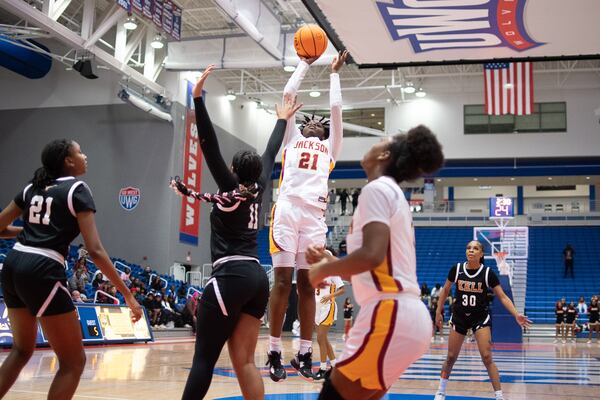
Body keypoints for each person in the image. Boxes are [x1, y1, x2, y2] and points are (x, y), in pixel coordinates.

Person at [170, 64, 300, 400]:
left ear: (231, 171)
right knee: (243, 362)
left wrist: (197, 99)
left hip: (230, 276)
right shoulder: (259, 186)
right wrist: (282, 120)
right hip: (258, 278)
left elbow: (208, 147)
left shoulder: (230, 187)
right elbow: (272, 151)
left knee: (203, 362)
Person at [306, 125, 445, 400]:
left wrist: (323, 269)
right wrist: (333, 261)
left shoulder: (376, 190)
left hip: (391, 314)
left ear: (384, 154)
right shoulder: (392, 194)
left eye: (381, 140)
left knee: (332, 396)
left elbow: (372, 255)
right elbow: (378, 267)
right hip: (406, 316)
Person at [0, 139, 142, 399]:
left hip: (12, 265)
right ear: (67, 160)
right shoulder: (77, 189)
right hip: (41, 268)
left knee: (21, 351)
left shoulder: (32, 187)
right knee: (73, 363)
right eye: (80, 152)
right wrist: (128, 295)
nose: (85, 156)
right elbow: (95, 250)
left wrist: (33, 232)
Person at [267, 49, 348, 382]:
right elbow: (288, 95)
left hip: (314, 218)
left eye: (320, 122)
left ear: (324, 130)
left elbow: (337, 111)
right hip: (287, 209)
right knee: (283, 282)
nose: (315, 122)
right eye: (309, 119)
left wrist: (334, 74)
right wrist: (304, 63)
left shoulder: (331, 147)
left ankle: (304, 353)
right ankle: (273, 350)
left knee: (307, 287)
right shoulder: (292, 137)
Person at [433, 240, 531, 400]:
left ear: (481, 254)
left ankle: (499, 396)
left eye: (475, 248)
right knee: (451, 357)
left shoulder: (487, 273)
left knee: (487, 357)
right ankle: (440, 391)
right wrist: (438, 311)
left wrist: (516, 314)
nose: (471, 250)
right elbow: (445, 291)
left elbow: (503, 297)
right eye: (469, 248)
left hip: (480, 318)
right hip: (459, 317)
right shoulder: (456, 269)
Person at [314, 274, 345, 380]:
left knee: (320, 338)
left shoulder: (332, 271)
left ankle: (322, 369)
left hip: (328, 306)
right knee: (324, 340)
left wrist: (330, 296)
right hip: (317, 307)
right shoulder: (316, 270)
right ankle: (334, 367)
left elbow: (342, 289)